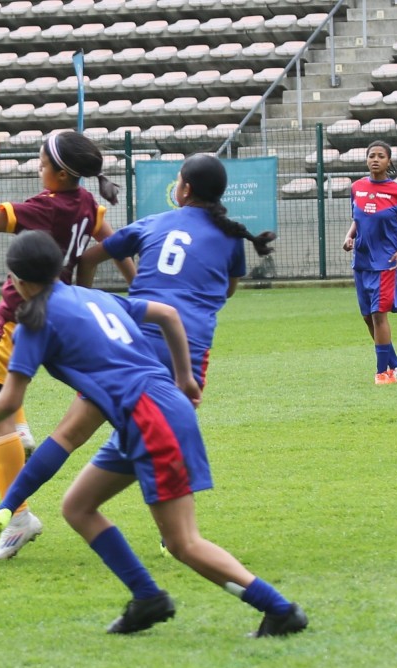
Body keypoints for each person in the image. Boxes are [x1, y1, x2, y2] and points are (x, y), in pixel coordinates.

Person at [0, 231, 308, 638]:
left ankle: (279, 609)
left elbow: (9, 401)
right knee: (78, 506)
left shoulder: (33, 323)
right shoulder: (91, 296)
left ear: (18, 282)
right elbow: (167, 315)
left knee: (183, 543)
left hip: (150, 420)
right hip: (153, 409)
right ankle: (147, 598)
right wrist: (184, 377)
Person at [79, 153, 276, 554]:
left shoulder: (155, 222)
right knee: (164, 435)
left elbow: (91, 256)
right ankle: (177, 535)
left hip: (134, 341)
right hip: (192, 346)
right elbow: (229, 289)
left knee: (77, 431)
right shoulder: (229, 236)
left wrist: (89, 296)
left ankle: (15, 505)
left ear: (183, 189)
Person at [0, 130, 133, 561]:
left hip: (25, 315)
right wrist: (136, 283)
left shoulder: (45, 207)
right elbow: (114, 247)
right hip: (62, 309)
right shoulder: (88, 205)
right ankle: (20, 429)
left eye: (41, 165)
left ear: (60, 173)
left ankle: (18, 516)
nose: (38, 172)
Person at [342, 140, 397, 385]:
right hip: (361, 262)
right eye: (371, 155)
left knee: (378, 315)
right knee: (366, 316)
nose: (375, 159)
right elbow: (358, 218)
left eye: (380, 156)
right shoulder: (357, 187)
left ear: (388, 161)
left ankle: (383, 372)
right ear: (366, 160)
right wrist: (349, 235)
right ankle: (396, 365)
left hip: (385, 264)